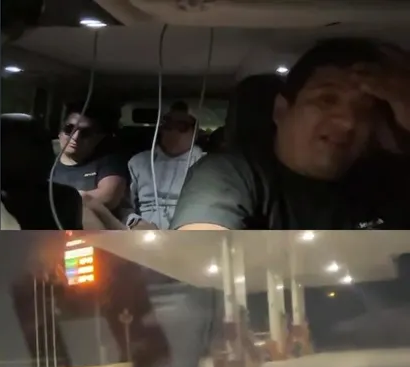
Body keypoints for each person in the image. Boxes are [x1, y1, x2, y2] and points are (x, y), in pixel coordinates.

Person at [172, 38, 410, 230]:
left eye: (365, 108)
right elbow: (200, 254)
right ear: (282, 110)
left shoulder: (386, 180)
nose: (348, 122)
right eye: (327, 100)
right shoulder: (229, 175)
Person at [124, 102, 206, 230]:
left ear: (195, 131)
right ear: (160, 129)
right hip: (141, 233)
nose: (173, 131)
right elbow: (123, 205)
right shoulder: (138, 162)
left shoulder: (207, 165)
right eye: (168, 125)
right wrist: (134, 222)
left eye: (182, 126)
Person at [50, 107, 130, 216]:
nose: (75, 137)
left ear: (97, 138)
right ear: (60, 132)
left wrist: (57, 201)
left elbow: (108, 198)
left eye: (85, 133)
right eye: (69, 129)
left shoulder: (109, 162)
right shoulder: (45, 161)